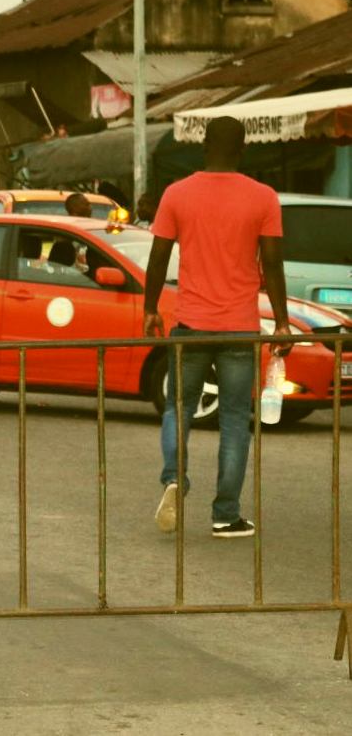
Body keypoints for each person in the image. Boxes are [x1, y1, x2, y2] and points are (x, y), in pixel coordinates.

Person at [143, 116, 291, 540]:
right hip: (239, 329)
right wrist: (282, 323)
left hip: (190, 324)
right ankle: (226, 515)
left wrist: (150, 308)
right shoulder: (263, 197)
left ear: (204, 146)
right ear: (242, 150)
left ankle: (174, 477)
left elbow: (158, 257)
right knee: (234, 420)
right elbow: (272, 264)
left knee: (178, 408)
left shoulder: (177, 194)